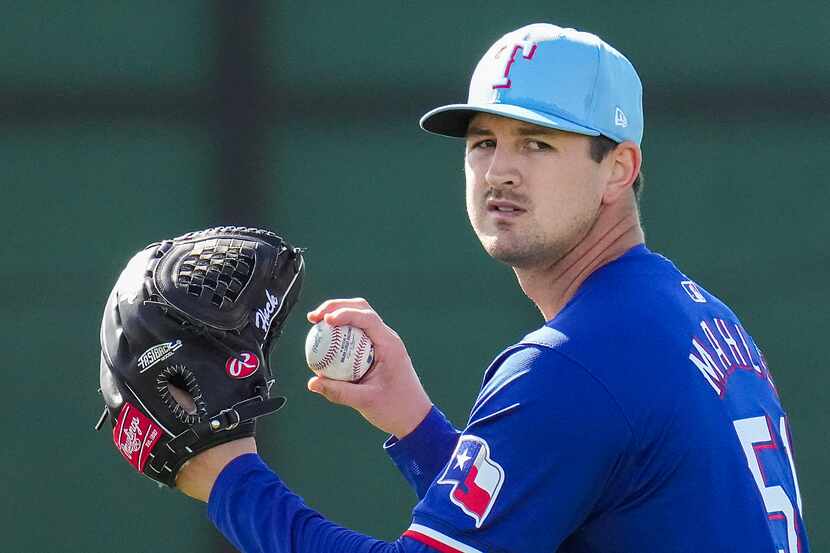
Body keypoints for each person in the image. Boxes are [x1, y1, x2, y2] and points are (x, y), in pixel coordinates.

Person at [176, 23, 810, 553]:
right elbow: (547, 503)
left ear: (619, 167)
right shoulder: (696, 317)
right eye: (483, 142)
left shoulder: (573, 364)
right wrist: (414, 424)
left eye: (537, 142)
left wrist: (229, 477)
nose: (499, 170)